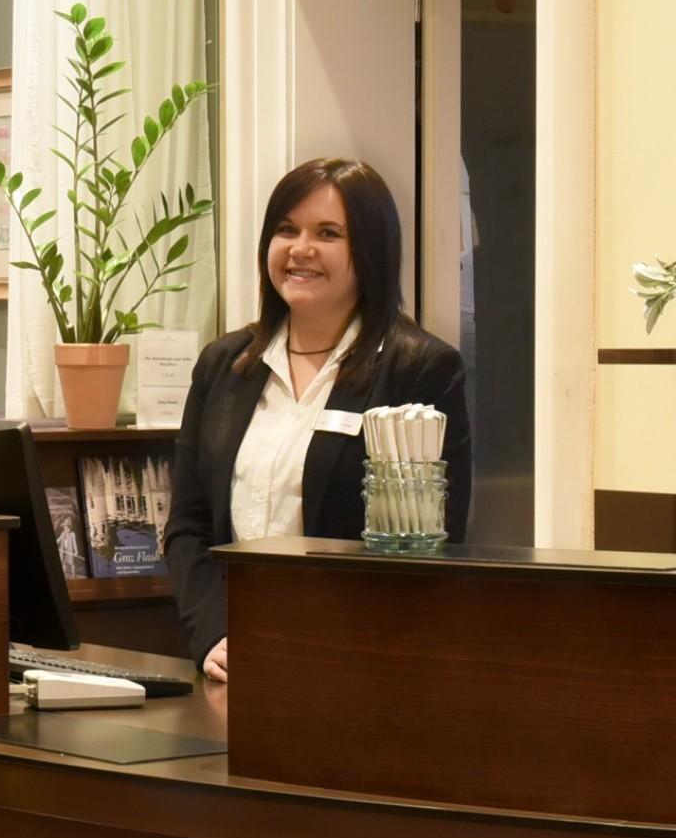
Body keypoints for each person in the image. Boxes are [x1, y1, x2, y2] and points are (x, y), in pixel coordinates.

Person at [158, 158, 471, 683]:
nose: (300, 249)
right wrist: (213, 633)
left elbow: (434, 544)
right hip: (232, 660)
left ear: (370, 249)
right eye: (287, 229)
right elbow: (189, 525)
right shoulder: (224, 364)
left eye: (328, 233)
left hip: (357, 665)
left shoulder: (420, 369)